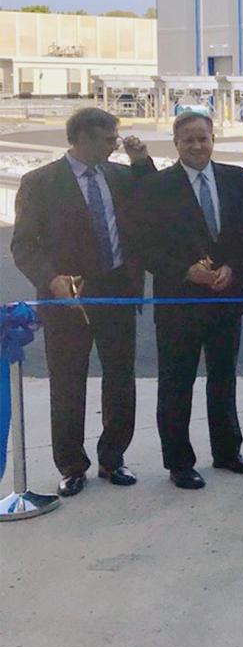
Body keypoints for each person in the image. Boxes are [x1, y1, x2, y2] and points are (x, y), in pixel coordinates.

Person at [12, 108, 153, 498]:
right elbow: (23, 244)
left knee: (120, 377)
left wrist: (142, 163)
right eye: (109, 139)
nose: (115, 145)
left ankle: (113, 458)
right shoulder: (40, 183)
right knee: (67, 382)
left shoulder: (120, 176)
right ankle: (72, 466)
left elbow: (154, 199)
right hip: (67, 297)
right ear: (85, 138)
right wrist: (50, 278)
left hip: (117, 290)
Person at [137, 111, 243, 490]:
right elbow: (145, 247)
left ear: (213, 139)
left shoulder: (237, 179)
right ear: (176, 144)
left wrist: (234, 267)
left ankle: (227, 451)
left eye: (203, 138)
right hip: (179, 302)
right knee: (176, 384)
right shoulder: (157, 187)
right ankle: (179, 462)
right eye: (188, 139)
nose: (197, 145)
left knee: (223, 379)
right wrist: (185, 272)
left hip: (226, 297)